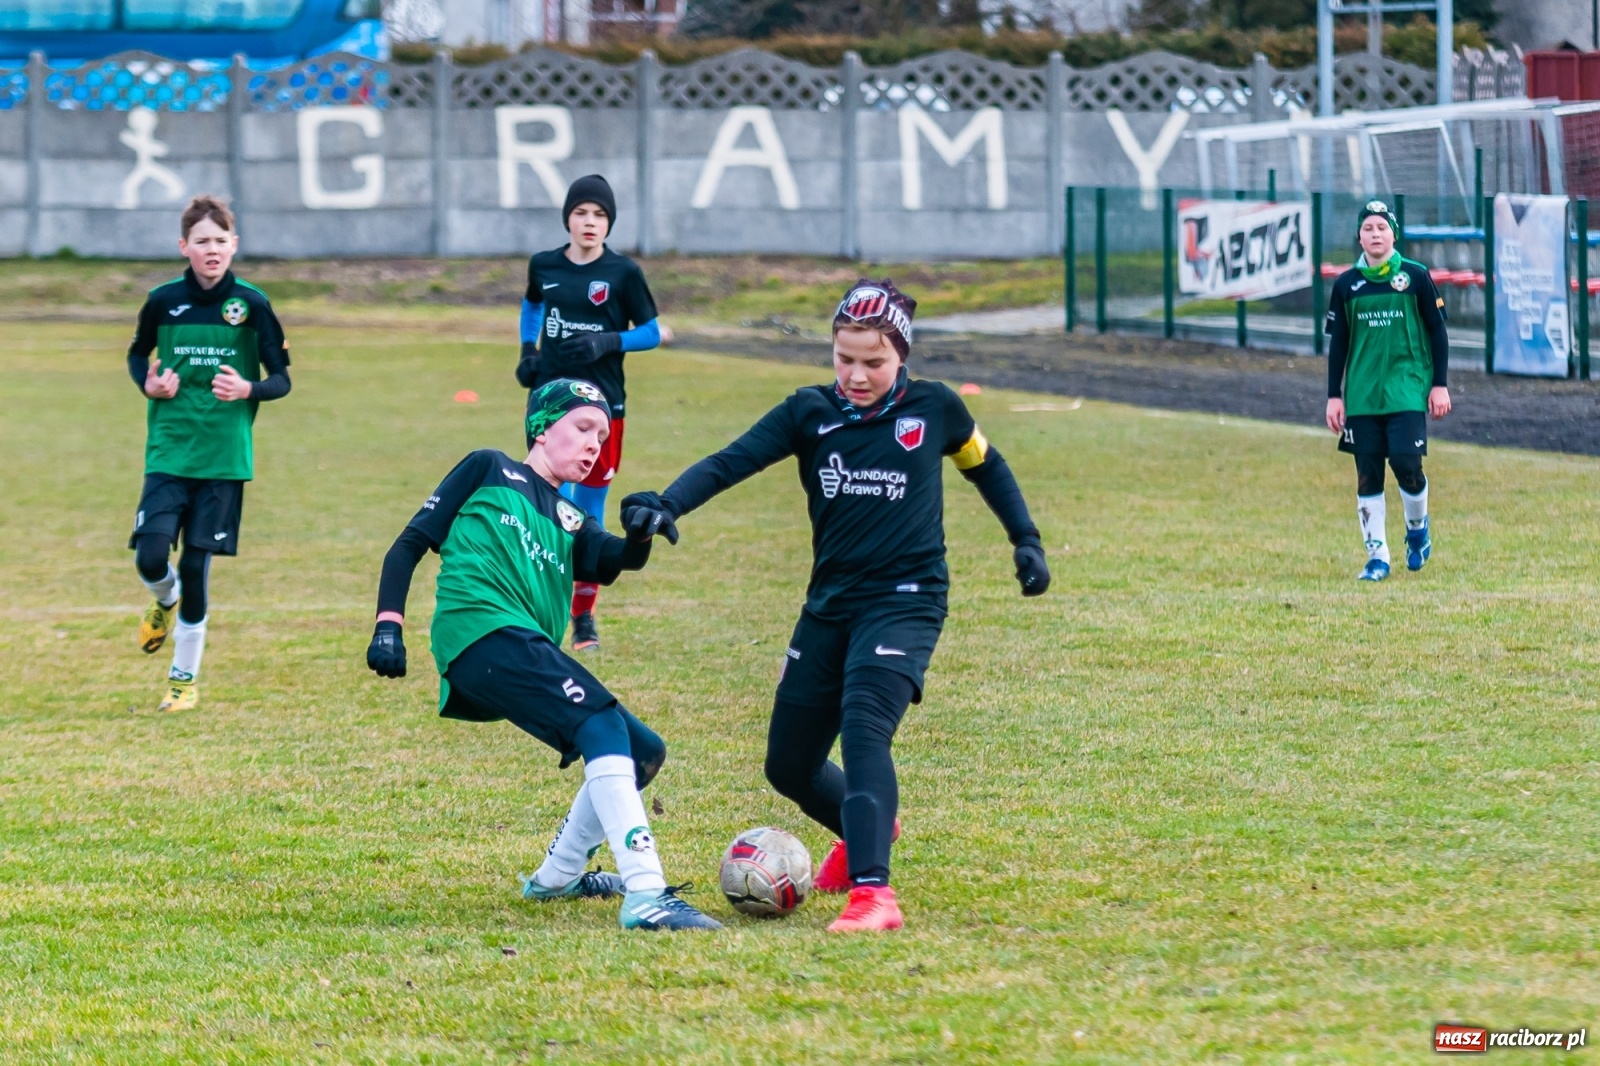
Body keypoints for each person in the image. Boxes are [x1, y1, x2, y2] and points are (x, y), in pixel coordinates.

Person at [621, 281, 1050, 933]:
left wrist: (1025, 540)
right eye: (843, 358)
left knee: (865, 726)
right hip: (830, 605)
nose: (855, 374)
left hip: (907, 602)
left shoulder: (936, 410)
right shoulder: (808, 413)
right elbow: (732, 461)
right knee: (788, 763)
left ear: (901, 356)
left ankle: (874, 894)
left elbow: (985, 466)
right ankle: (867, 822)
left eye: (873, 363)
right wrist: (668, 501)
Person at [366, 379, 719, 932]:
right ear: (540, 427)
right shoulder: (487, 469)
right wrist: (389, 625)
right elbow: (408, 544)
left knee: (643, 750)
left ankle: (557, 876)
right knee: (600, 721)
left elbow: (615, 559)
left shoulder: (572, 517)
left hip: (518, 644)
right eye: (582, 428)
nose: (592, 445)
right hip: (480, 631)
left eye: (601, 437)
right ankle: (646, 892)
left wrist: (643, 531)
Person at [128, 194, 292, 713]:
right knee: (152, 557)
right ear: (185, 247)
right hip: (170, 452)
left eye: (221, 241)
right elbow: (137, 355)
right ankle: (164, 600)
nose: (212, 249)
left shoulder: (254, 305)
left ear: (234, 245)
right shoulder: (161, 301)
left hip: (224, 459)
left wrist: (248, 389)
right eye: (202, 241)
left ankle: (183, 681)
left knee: (196, 567)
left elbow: (282, 380)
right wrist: (148, 385)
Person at [515, 174, 662, 653]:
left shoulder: (623, 273)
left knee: (590, 509)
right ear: (568, 218)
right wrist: (527, 351)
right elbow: (533, 303)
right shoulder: (545, 265)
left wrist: (609, 340)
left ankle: (583, 618)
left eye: (599, 215)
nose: (590, 222)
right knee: (541, 501)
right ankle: (537, 606)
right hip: (552, 408)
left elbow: (655, 333)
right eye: (581, 213)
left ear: (609, 223)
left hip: (605, 411)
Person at [1325, 200, 1451, 582]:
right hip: (1362, 395)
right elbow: (1339, 344)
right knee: (1367, 476)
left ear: (1393, 234)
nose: (1375, 234)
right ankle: (1377, 558)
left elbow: (1438, 332)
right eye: (1368, 228)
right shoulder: (1347, 284)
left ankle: (1417, 531)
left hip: (1407, 389)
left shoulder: (1415, 276)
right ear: (1359, 236)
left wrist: (1440, 384)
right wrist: (1335, 394)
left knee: (1406, 465)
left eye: (1382, 227)